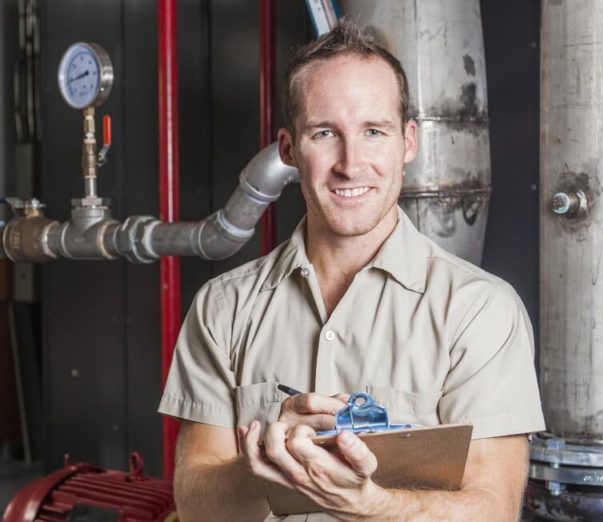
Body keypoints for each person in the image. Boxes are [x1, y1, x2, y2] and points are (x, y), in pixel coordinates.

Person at [157, 21, 545, 521]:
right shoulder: (223, 308)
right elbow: (194, 506)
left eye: (374, 132)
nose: (350, 163)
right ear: (289, 150)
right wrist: (266, 464)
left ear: (408, 142)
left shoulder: (480, 312)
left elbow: (492, 510)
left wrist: (371, 506)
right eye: (324, 133)